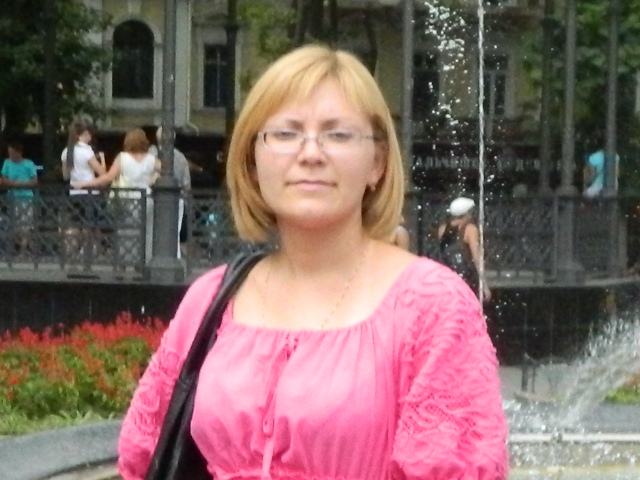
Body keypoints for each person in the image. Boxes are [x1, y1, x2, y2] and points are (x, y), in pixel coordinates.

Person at [117, 45, 508, 480]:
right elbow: (143, 455)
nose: (310, 153)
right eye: (285, 134)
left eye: (337, 135)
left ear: (377, 163)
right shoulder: (211, 298)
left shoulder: (432, 307)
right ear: (253, 160)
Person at [73, 127, 160, 263]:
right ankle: (145, 259)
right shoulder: (151, 159)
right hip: (146, 199)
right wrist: (154, 178)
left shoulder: (122, 157)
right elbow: (167, 170)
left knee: (126, 230)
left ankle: (126, 259)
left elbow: (108, 178)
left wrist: (86, 184)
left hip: (126, 199)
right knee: (147, 231)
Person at [60, 121, 107, 260]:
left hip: (74, 193)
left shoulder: (66, 151)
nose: (90, 137)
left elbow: (65, 176)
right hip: (90, 192)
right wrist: (102, 159)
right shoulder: (87, 151)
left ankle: (71, 251)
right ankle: (87, 251)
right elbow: (102, 172)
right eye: (88, 134)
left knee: (76, 223)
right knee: (90, 223)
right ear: (82, 135)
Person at [436, 196, 492, 302]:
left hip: (448, 278)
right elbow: (476, 258)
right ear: (467, 213)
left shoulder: (442, 229)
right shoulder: (470, 229)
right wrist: (484, 285)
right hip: (467, 278)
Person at [154, 126, 191, 258]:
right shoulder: (181, 158)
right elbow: (187, 184)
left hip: (152, 200)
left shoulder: (151, 155)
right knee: (174, 231)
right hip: (177, 202)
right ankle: (175, 256)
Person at [0, 141, 38, 253]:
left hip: (26, 198)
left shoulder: (28, 164)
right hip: (12, 198)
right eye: (9, 153)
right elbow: (4, 179)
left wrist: (21, 184)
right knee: (13, 224)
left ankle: (23, 248)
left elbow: (34, 181)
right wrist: (13, 184)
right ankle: (18, 245)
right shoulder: (7, 163)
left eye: (12, 153)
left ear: (19, 152)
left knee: (26, 223)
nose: (11, 156)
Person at [583, 134, 620, 198]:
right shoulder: (615, 156)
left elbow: (592, 176)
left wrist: (586, 184)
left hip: (597, 186)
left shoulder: (593, 157)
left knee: (584, 196)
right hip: (613, 186)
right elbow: (617, 174)